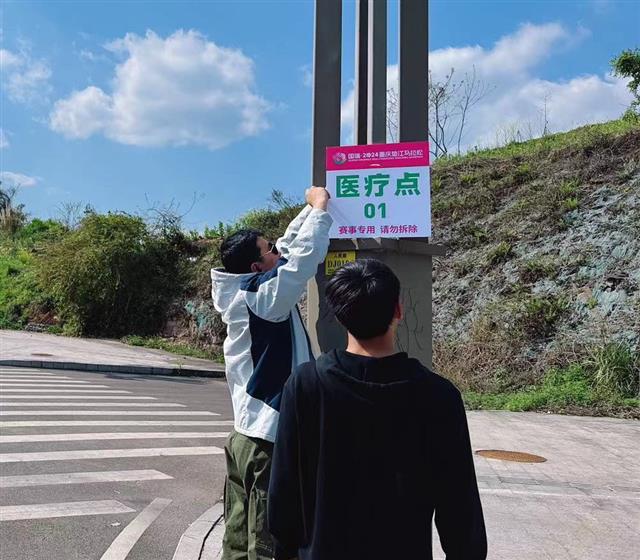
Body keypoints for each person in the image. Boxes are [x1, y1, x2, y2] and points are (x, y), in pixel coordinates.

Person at [268, 258, 487, 560]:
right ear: (398, 310)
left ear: (340, 316)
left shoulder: (306, 385)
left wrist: (285, 551)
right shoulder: (439, 395)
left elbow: (284, 489)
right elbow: (459, 503)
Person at [211, 186, 332, 560]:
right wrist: (321, 209)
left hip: (243, 438)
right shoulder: (262, 298)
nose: (277, 252)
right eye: (269, 251)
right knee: (267, 545)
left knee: (236, 535)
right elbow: (301, 260)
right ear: (256, 267)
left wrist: (307, 210)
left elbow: (289, 248)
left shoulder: (245, 291)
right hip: (268, 441)